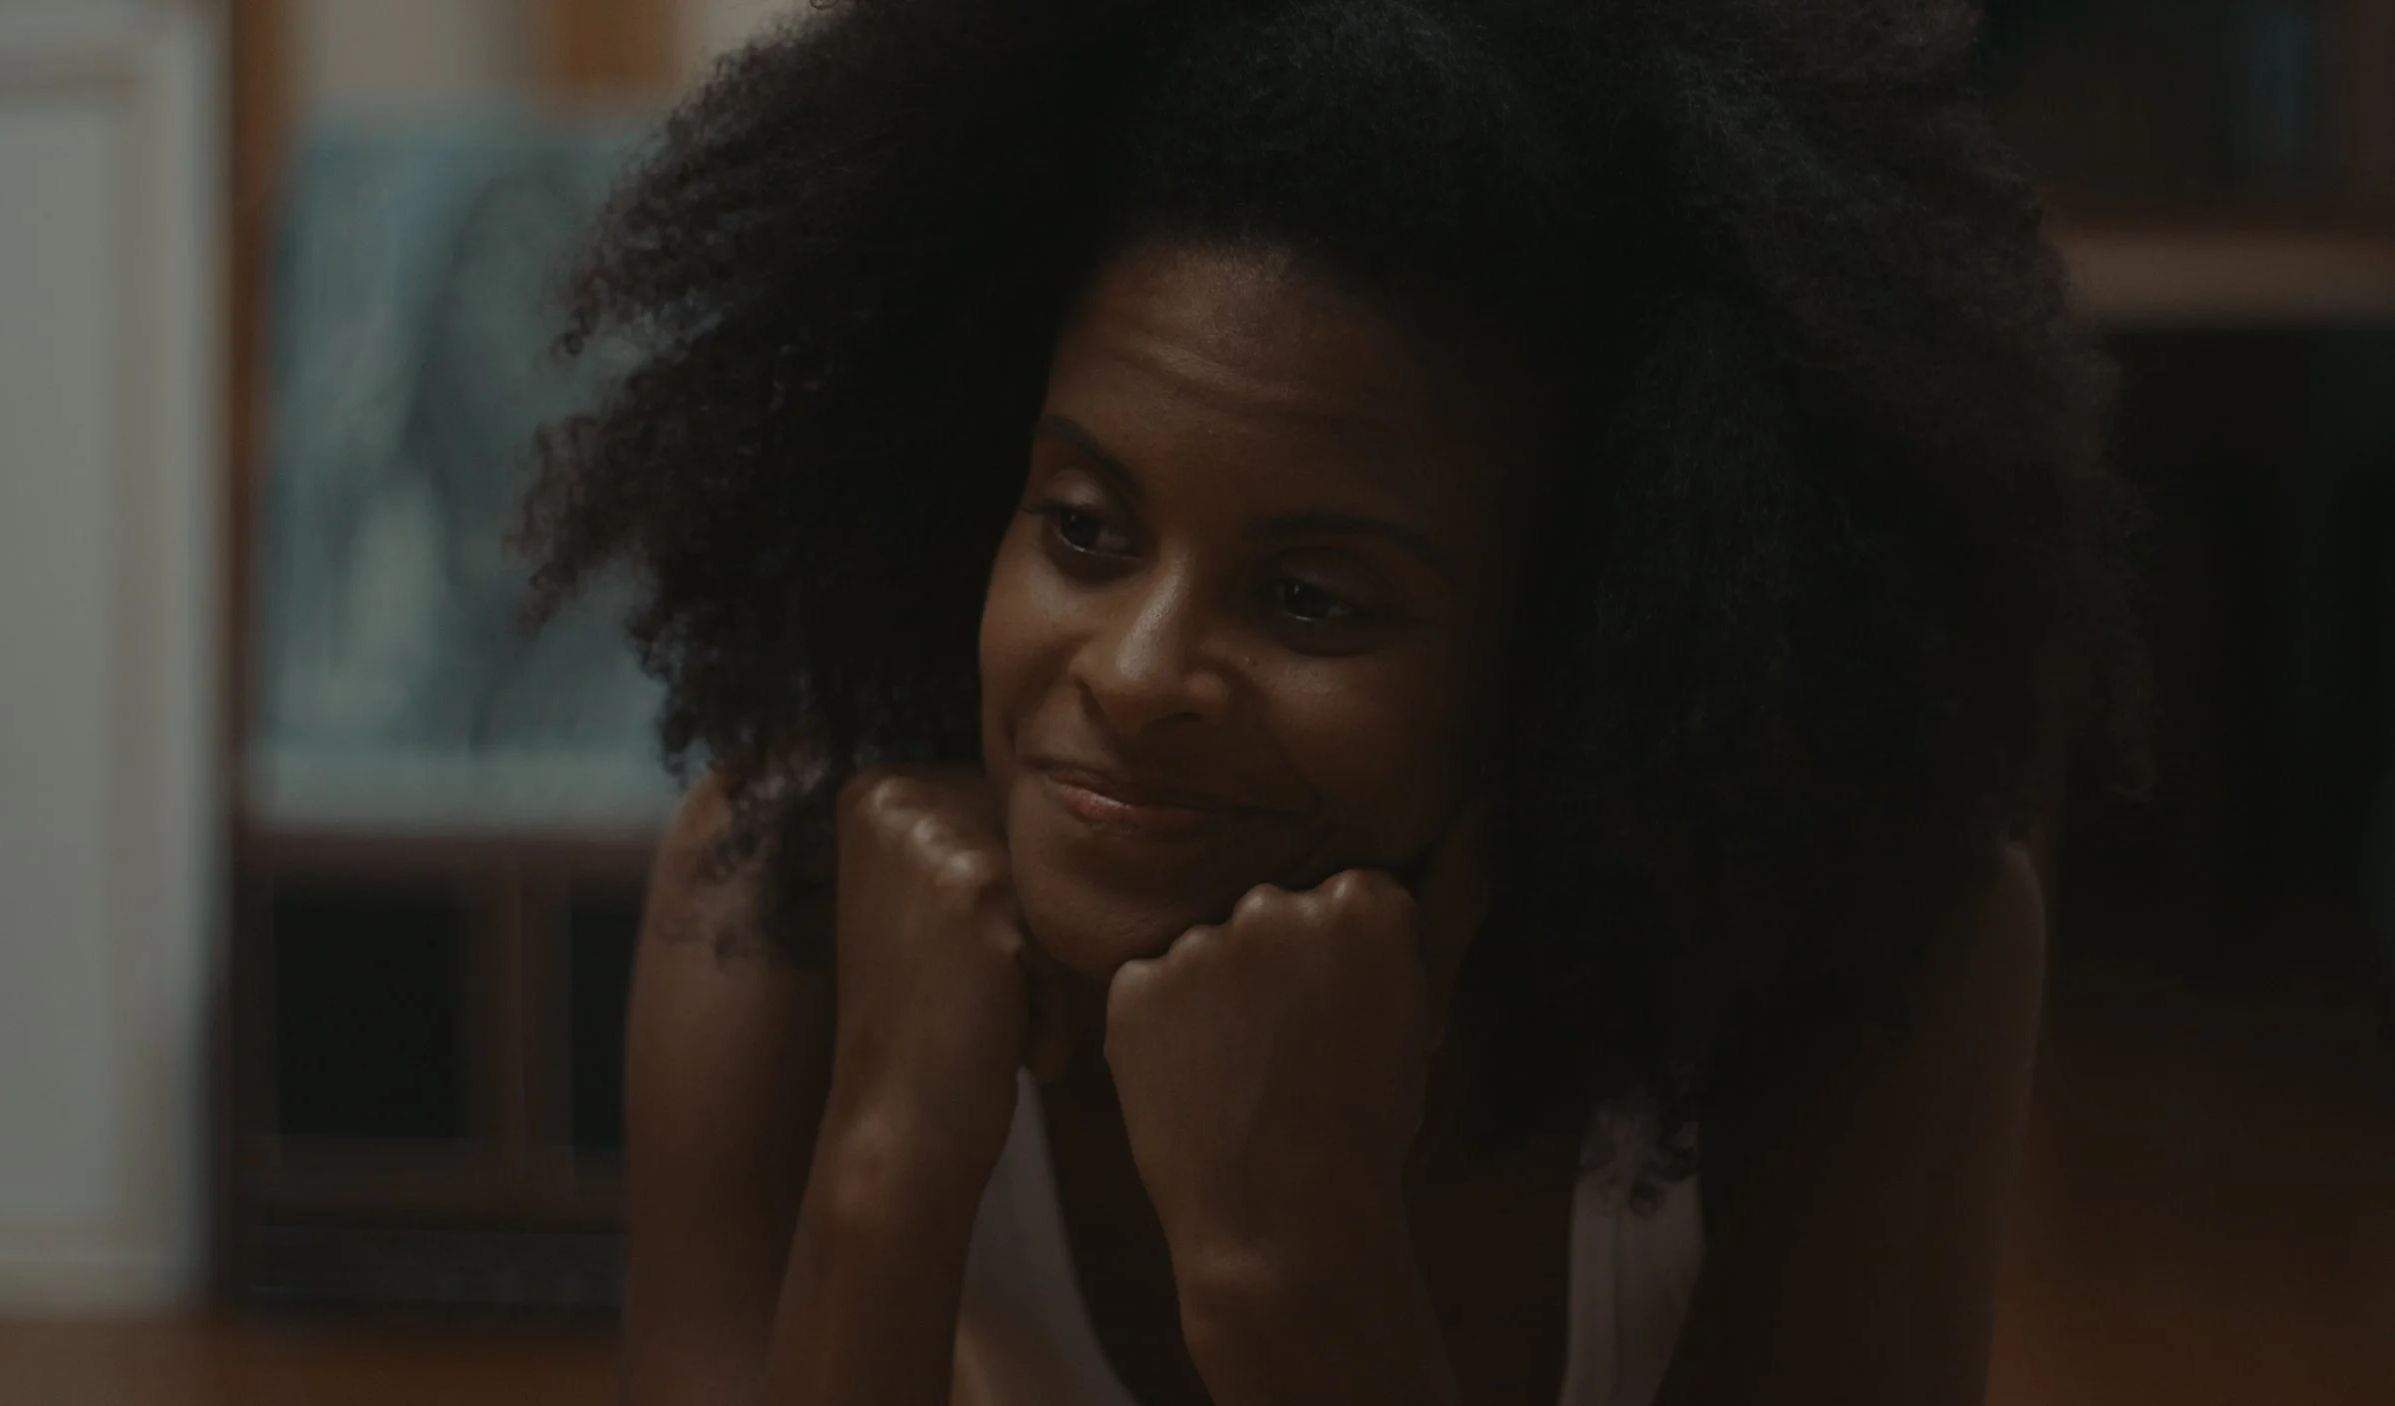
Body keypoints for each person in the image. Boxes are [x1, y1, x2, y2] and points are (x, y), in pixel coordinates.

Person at [520, 1, 2146, 1402]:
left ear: (1578, 643)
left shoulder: (1866, 963)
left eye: (1312, 599)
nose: (1136, 672)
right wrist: (888, 1152)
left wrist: (1284, 1270)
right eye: (1084, 529)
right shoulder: (786, 894)